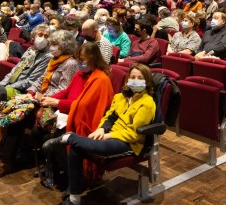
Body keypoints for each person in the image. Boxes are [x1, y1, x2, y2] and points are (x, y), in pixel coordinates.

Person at [45, 63, 155, 205]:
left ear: (146, 81)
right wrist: (102, 129)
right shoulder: (120, 97)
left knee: (97, 147)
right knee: (75, 149)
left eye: (140, 78)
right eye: (132, 77)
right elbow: (110, 116)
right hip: (111, 134)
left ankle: (69, 137)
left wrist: (109, 136)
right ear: (127, 79)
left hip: (130, 142)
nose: (135, 80)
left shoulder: (147, 103)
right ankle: (74, 198)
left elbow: (135, 134)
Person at [0, 30, 78, 180]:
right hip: (39, 98)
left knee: (16, 118)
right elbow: (40, 80)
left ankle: (4, 162)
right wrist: (31, 92)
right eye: (51, 44)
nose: (51, 47)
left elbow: (63, 89)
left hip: (51, 103)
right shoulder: (54, 59)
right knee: (8, 110)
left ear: (64, 46)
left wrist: (40, 97)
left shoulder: (70, 63)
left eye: (54, 44)